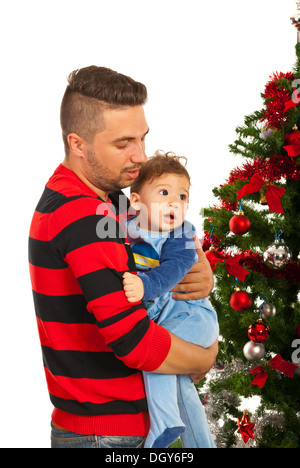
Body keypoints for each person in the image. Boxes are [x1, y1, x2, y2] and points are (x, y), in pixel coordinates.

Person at [28, 66, 217, 449]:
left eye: (143, 139)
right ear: (78, 144)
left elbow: (161, 246)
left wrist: (198, 272)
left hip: (115, 425)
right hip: (108, 434)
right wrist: (204, 357)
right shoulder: (85, 216)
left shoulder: (108, 201)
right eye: (123, 144)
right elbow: (134, 341)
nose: (141, 157)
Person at [122, 151, 219, 448]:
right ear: (137, 201)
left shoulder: (181, 235)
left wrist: (144, 286)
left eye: (182, 196)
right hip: (172, 317)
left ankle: (163, 423)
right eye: (164, 193)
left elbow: (172, 272)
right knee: (181, 387)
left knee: (155, 353)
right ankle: (200, 442)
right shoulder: (125, 227)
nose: (174, 202)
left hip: (193, 318)